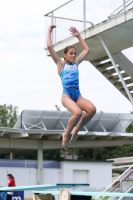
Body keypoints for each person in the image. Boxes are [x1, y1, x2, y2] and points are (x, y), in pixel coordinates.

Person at [47, 25, 96, 150]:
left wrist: (79, 36)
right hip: (67, 95)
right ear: (65, 55)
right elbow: (49, 47)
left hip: (77, 95)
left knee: (92, 110)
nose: (74, 55)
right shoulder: (60, 64)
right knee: (78, 112)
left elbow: (86, 50)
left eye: (75, 53)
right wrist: (49, 31)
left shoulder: (77, 63)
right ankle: (66, 134)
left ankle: (76, 130)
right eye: (71, 53)